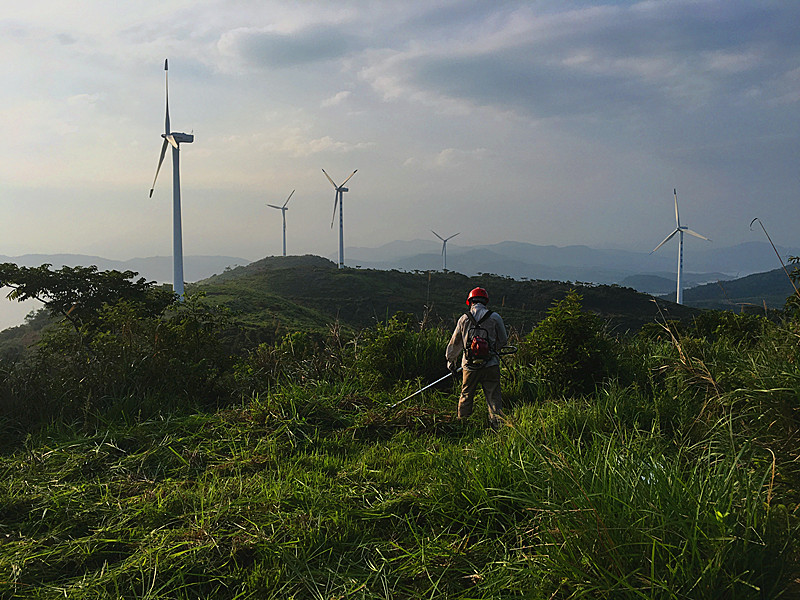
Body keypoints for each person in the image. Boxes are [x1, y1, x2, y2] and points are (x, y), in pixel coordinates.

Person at [445, 287, 508, 429]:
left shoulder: (464, 318)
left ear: (470, 301)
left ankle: (463, 425)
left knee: (466, 395)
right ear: (485, 301)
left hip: (469, 365)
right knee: (493, 397)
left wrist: (451, 360)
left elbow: (455, 342)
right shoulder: (495, 317)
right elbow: (503, 340)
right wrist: (493, 350)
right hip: (491, 364)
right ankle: (497, 426)